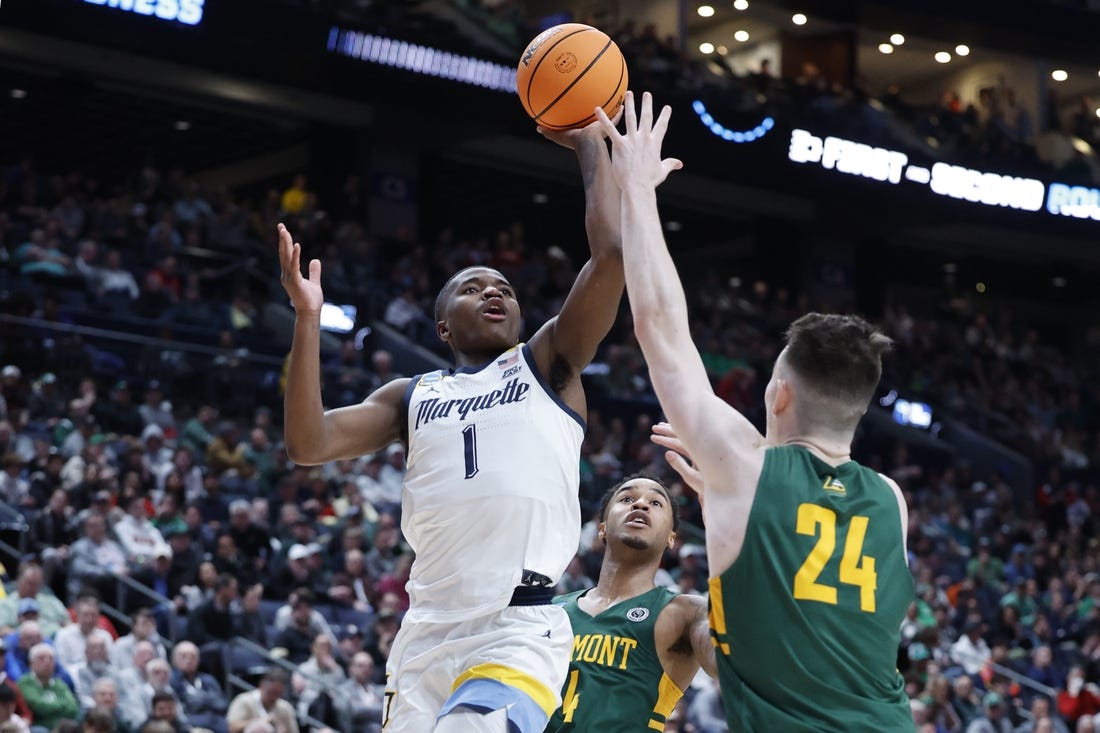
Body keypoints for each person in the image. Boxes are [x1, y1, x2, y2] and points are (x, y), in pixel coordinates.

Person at [277, 104, 625, 733]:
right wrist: (307, 320)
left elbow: (610, 258)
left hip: (517, 624)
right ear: (442, 325)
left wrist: (588, 149)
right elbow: (308, 442)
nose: (495, 292)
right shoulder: (410, 395)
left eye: (505, 289)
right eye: (474, 288)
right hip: (428, 630)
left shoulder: (547, 362)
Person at [595, 91, 913, 731]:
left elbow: (660, 327)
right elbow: (815, 592)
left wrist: (637, 187)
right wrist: (726, 516)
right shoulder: (891, 501)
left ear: (779, 394)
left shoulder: (746, 467)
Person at [544, 474, 714, 732]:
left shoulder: (686, 613)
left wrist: (729, 536)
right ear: (602, 527)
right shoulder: (550, 611)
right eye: (627, 499)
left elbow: (739, 666)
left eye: (656, 503)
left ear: (671, 537)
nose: (641, 504)